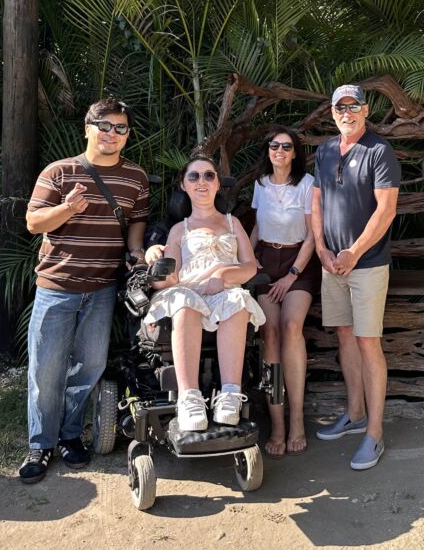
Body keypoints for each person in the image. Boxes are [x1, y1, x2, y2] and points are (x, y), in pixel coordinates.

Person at [20, 98, 149, 484]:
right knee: (47, 369)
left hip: (103, 287)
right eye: (105, 126)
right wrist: (67, 210)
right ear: (88, 128)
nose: (112, 134)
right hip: (57, 287)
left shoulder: (135, 177)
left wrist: (136, 252)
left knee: (89, 366)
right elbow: (32, 221)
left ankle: (69, 435)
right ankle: (40, 444)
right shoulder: (60, 172)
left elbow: (137, 220)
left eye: (120, 128)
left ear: (127, 136)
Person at [312, 84, 401, 471]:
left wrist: (354, 252)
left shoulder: (380, 151)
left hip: (366, 264)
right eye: (339, 107)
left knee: (368, 344)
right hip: (331, 264)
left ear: (365, 110)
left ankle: (374, 435)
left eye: (353, 106)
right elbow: (315, 201)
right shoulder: (325, 150)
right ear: (332, 112)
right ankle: (355, 414)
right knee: (344, 336)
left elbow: (386, 211)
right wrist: (321, 249)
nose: (346, 113)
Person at [143, 156, 265, 432]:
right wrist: (155, 262)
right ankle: (189, 398)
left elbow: (248, 267)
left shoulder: (233, 224)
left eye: (209, 176)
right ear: (184, 186)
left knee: (237, 300)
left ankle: (230, 395)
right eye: (194, 177)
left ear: (218, 184)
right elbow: (171, 278)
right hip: (187, 291)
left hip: (223, 293)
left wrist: (223, 275)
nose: (202, 182)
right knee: (185, 300)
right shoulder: (178, 229)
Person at [249, 128, 321, 457]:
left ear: (295, 153)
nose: (279, 150)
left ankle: (298, 421)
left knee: (292, 326)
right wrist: (245, 263)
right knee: (270, 332)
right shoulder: (260, 185)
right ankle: (277, 424)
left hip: (298, 263)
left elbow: (311, 235)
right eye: (274, 145)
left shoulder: (307, 185)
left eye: (286, 146)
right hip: (266, 260)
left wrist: (291, 275)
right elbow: (257, 228)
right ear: (268, 151)